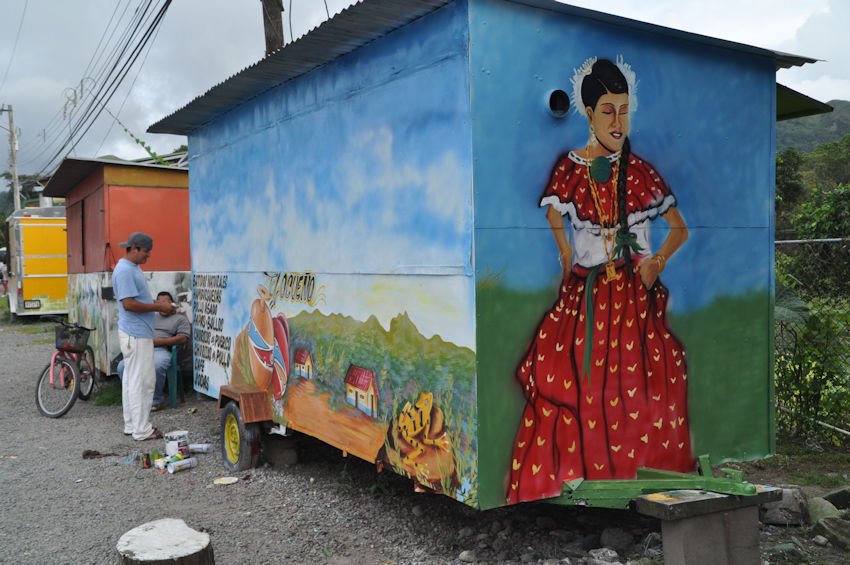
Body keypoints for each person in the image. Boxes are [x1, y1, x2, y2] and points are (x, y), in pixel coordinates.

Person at [507, 57, 693, 504]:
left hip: (633, 300)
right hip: (587, 299)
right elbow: (554, 214)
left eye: (624, 110)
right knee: (574, 387)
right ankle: (578, 484)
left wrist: (656, 262)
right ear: (589, 114)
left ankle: (636, 479)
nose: (617, 121)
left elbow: (679, 229)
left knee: (641, 389)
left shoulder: (641, 171)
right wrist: (565, 253)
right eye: (608, 111)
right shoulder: (570, 170)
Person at [113, 232, 176, 441]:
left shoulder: (130, 268)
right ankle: (142, 430)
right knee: (142, 382)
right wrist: (159, 307)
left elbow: (134, 300)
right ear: (135, 248)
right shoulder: (125, 271)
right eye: (146, 252)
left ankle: (132, 425)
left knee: (131, 381)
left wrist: (158, 305)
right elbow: (129, 304)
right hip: (136, 334)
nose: (148, 256)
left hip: (135, 333)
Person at [117, 291, 191, 411]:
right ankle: (135, 399)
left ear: (172, 304)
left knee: (156, 365)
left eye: (166, 302)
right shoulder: (150, 317)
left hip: (161, 350)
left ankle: (155, 400)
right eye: (159, 302)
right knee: (122, 367)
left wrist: (158, 342)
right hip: (141, 348)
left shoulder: (180, 319)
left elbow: (183, 338)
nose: (162, 305)